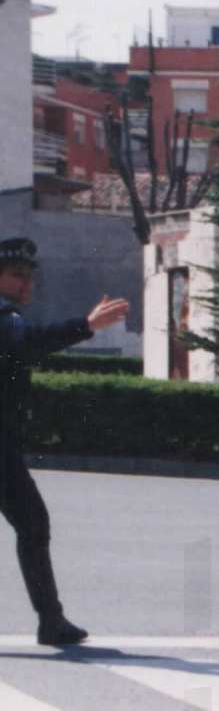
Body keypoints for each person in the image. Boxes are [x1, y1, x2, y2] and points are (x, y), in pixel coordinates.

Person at [0, 237, 131, 646]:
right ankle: (51, 622)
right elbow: (29, 341)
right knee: (33, 524)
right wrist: (86, 326)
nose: (27, 283)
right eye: (17, 275)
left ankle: (52, 621)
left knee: (33, 524)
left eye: (30, 276)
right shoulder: (4, 317)